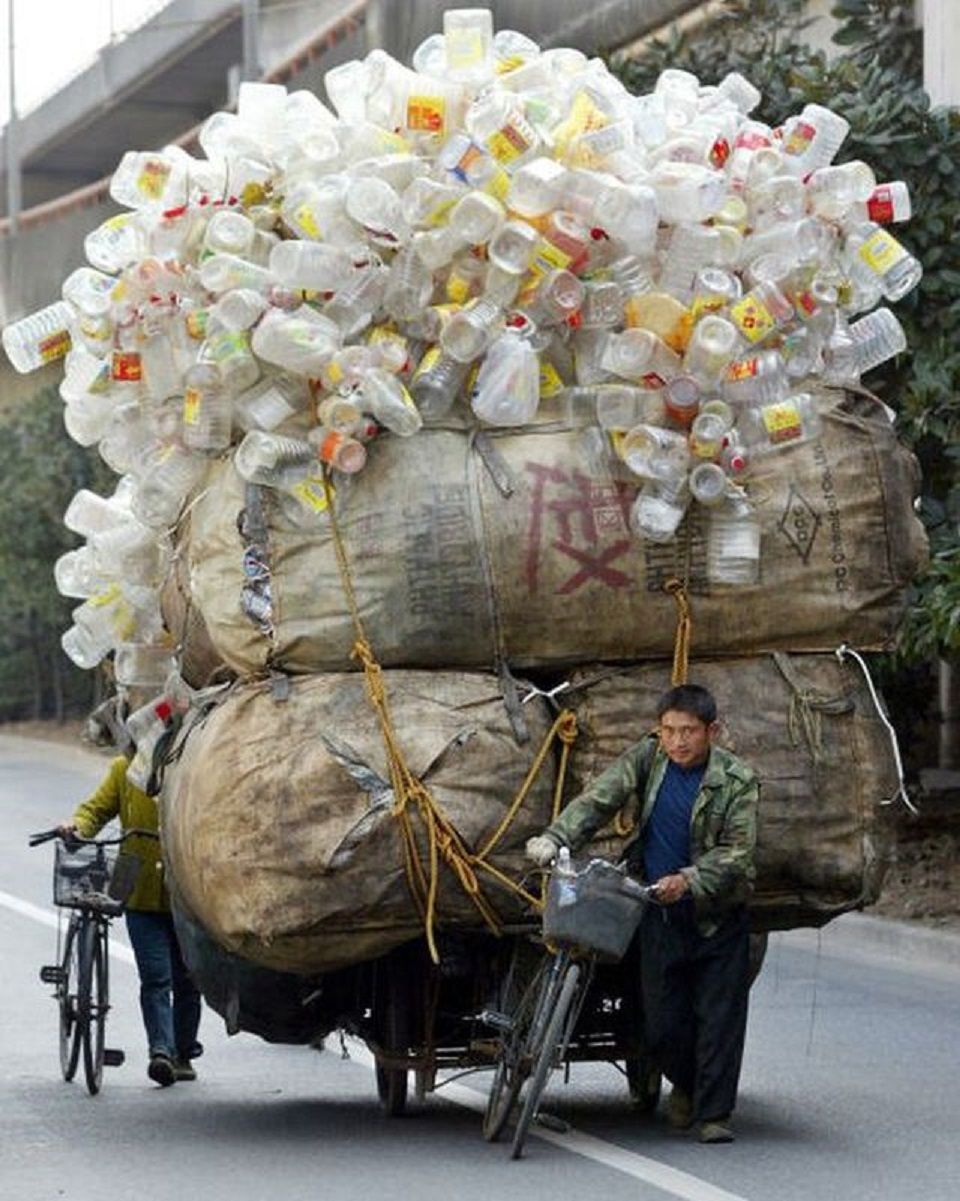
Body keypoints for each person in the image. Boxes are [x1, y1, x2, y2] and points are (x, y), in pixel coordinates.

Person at [525, 683, 758, 1144]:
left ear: (711, 731)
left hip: (717, 917)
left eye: (688, 731)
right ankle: (684, 1083)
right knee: (663, 1021)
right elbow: (599, 799)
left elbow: (739, 853)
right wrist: (554, 837)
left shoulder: (737, 780)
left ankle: (713, 1115)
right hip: (657, 912)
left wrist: (689, 879)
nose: (678, 742)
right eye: (669, 730)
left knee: (719, 1017)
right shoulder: (648, 760)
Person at [59, 750, 203, 1088]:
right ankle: (161, 1053)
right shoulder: (125, 769)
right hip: (137, 889)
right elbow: (95, 809)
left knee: (188, 979)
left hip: (188, 893)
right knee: (156, 977)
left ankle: (183, 1052)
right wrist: (77, 825)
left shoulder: (194, 763)